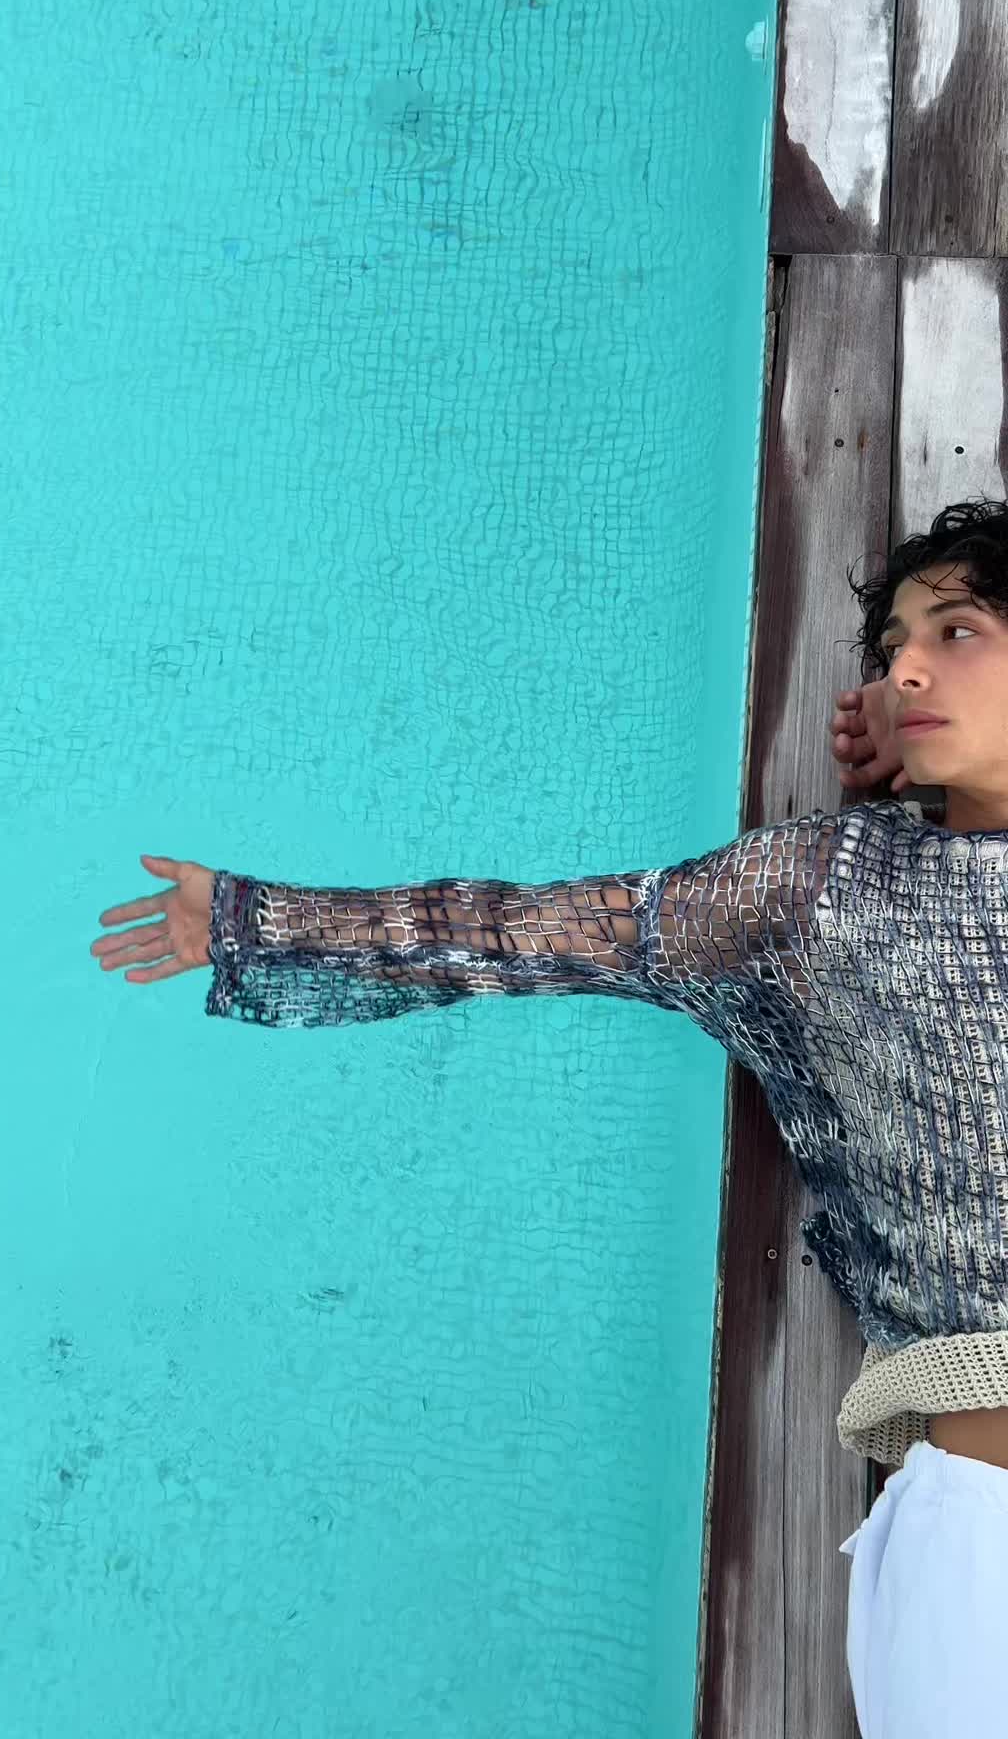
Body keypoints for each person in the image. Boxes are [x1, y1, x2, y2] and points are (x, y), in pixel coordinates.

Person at [90, 495, 1008, 1739]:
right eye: (893, 645)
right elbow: (539, 930)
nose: (906, 668)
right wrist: (263, 919)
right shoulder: (830, 885)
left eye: (957, 631)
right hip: (981, 1545)